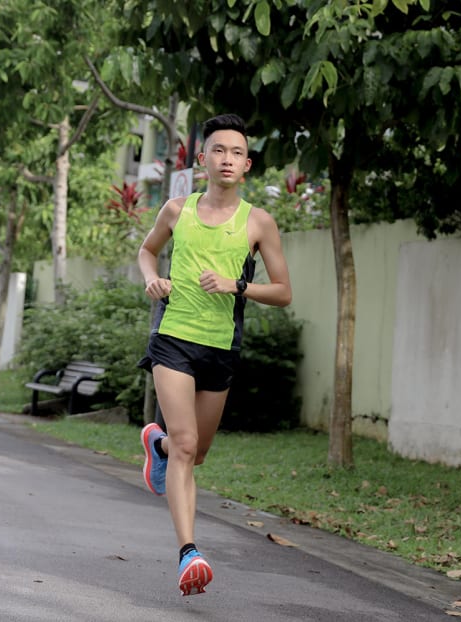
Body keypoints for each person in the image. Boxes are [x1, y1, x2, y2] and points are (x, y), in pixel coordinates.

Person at [136, 113, 292, 596]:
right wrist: (152, 279)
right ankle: (189, 554)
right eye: (218, 150)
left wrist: (237, 285)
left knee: (195, 452)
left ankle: (155, 445)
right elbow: (147, 252)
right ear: (202, 158)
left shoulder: (259, 222)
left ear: (247, 165)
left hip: (221, 347)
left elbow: (284, 292)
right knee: (187, 443)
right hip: (174, 340)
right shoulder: (176, 210)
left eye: (237, 153)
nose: (227, 159)